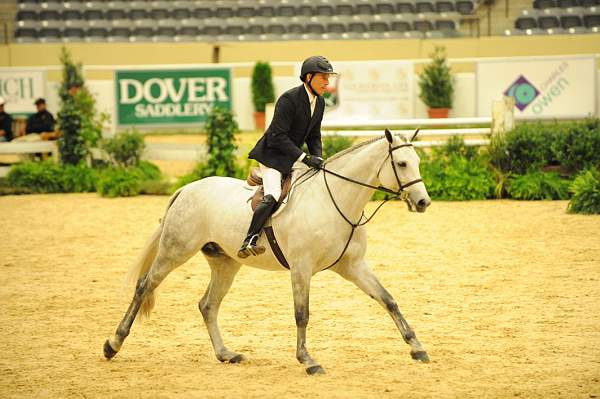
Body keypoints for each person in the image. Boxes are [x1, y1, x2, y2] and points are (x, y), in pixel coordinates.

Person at [237, 55, 338, 258]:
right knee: (274, 194)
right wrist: (304, 158)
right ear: (308, 77)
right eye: (323, 77)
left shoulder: (319, 103)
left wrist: (318, 158)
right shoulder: (289, 99)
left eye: (329, 77)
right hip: (272, 156)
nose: (327, 82)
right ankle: (249, 239)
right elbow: (277, 136)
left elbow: (314, 135)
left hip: (292, 158)